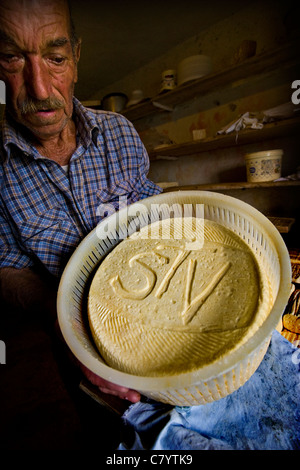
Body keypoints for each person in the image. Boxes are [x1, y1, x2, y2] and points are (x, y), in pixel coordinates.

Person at [0, 0, 161, 404]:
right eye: (11, 59)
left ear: (75, 57)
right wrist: (68, 328)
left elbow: (150, 211)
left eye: (55, 58)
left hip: (156, 313)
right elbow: (5, 265)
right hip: (70, 345)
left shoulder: (119, 131)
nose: (40, 88)